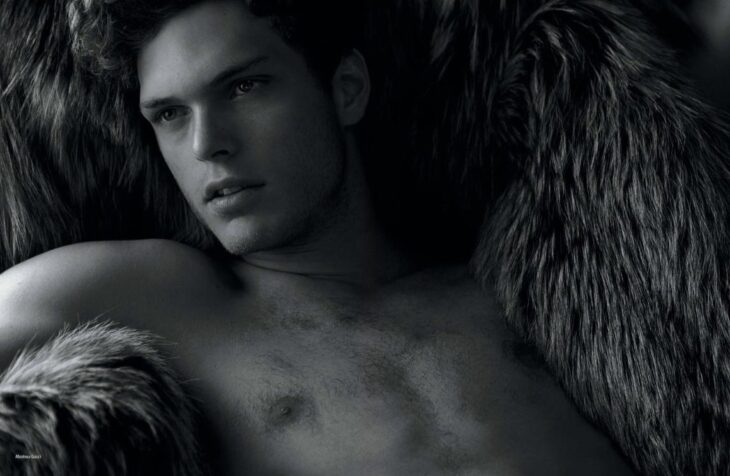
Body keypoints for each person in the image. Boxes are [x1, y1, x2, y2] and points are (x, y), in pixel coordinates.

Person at [2, 0, 729, 475]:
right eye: (168, 115)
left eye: (244, 87)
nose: (206, 144)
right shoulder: (165, 299)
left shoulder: (526, 289)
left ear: (346, 89)